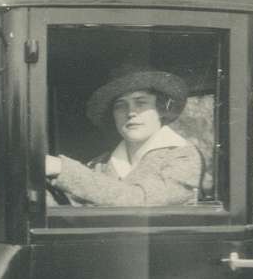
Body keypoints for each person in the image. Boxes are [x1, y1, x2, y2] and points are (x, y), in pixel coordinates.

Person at [48, 68, 204, 206]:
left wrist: (62, 168)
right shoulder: (101, 163)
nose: (130, 112)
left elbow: (143, 201)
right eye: (120, 105)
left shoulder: (183, 156)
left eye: (141, 103)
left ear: (161, 110)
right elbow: (72, 206)